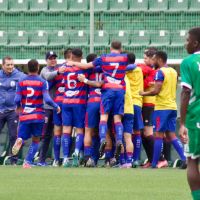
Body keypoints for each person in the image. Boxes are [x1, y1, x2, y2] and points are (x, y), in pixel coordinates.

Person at [67, 41, 128, 160]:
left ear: (110, 47)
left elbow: (85, 67)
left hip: (96, 99)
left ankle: (89, 157)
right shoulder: (124, 58)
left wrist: (72, 63)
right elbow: (132, 65)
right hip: (119, 91)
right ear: (121, 48)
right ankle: (112, 153)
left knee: (91, 129)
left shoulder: (100, 61)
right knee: (116, 121)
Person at [140, 51, 186, 169]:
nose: (153, 61)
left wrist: (143, 93)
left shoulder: (160, 72)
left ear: (160, 59)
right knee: (171, 135)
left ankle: (154, 164)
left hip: (162, 108)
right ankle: (185, 159)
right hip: (172, 106)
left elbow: (156, 91)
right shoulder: (174, 72)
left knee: (158, 135)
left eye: (154, 59)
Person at [12, 59, 60, 168]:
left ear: (28, 68)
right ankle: (27, 161)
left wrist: (19, 107)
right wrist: (56, 106)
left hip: (25, 115)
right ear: (38, 67)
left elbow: (16, 98)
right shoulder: (42, 82)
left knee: (22, 135)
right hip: (38, 115)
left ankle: (20, 139)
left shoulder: (21, 81)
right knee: (36, 139)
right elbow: (47, 99)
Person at [179, 27, 200, 200]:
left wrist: (183, 123)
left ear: (195, 43)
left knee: (192, 161)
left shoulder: (189, 62)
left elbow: (186, 93)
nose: (185, 44)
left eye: (187, 40)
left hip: (196, 119)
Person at [62, 48, 89, 167]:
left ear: (71, 55)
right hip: (79, 102)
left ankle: (65, 158)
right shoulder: (83, 68)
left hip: (66, 102)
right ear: (82, 56)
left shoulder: (64, 67)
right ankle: (77, 152)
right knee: (79, 130)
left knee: (66, 130)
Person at [38, 51, 65, 166]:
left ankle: (57, 159)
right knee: (45, 134)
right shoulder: (45, 70)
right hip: (47, 107)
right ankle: (41, 159)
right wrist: (59, 71)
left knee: (58, 133)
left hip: (58, 106)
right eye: (50, 58)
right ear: (46, 60)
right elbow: (49, 76)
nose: (53, 60)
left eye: (54, 58)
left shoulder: (59, 69)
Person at [78, 53, 102, 167]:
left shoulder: (87, 71)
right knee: (103, 131)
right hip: (103, 102)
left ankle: (88, 158)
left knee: (88, 131)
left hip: (92, 102)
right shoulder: (105, 69)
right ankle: (104, 159)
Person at [0, 56, 25, 164]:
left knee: (14, 136)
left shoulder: (20, 76)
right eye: (8, 65)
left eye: (12, 65)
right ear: (3, 65)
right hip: (0, 110)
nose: (10, 67)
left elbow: (29, 84)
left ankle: (13, 160)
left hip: (13, 111)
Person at [126, 53, 144, 167]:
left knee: (127, 132)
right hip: (137, 102)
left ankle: (128, 158)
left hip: (128, 102)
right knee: (137, 131)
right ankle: (136, 159)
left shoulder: (125, 70)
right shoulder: (140, 70)